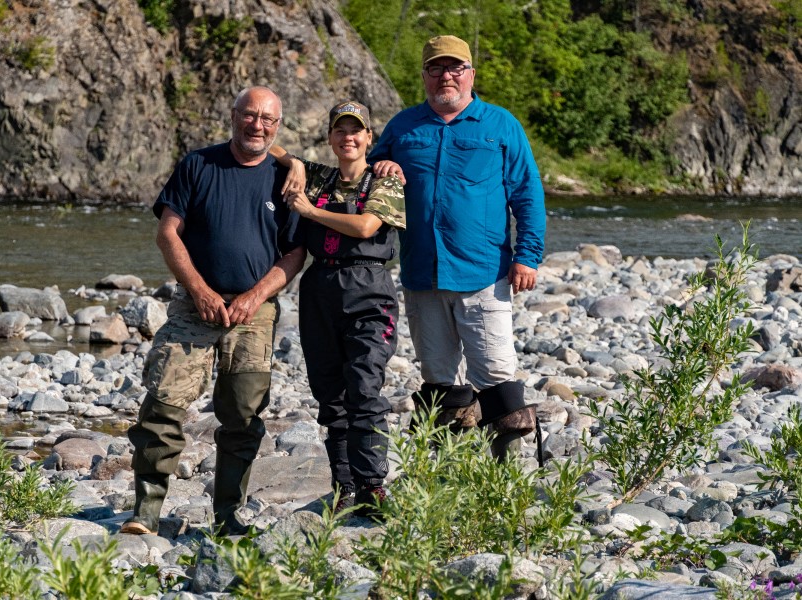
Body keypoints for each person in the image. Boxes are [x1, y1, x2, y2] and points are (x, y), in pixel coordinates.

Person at [120, 86, 305, 537]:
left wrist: (255, 296)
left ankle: (227, 515)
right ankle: (146, 511)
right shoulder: (198, 164)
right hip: (193, 306)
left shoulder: (288, 180)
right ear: (233, 114)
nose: (257, 125)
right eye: (249, 115)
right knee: (162, 405)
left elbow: (296, 254)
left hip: (254, 313)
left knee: (243, 415)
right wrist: (199, 290)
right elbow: (168, 234)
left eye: (267, 119)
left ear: (277, 125)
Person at [369, 35, 546, 460]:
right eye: (436, 68)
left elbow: (528, 194)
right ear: (425, 76)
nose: (446, 76)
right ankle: (450, 475)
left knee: (497, 377)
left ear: (470, 74)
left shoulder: (501, 125)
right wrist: (381, 165)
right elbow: (366, 174)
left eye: (455, 68)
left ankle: (504, 478)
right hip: (422, 274)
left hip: (484, 272)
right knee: (438, 380)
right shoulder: (403, 126)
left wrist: (527, 256)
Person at [271, 100, 406, 514]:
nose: (348, 138)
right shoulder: (319, 177)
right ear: (330, 138)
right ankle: (344, 486)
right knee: (330, 394)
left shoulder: (384, 181)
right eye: (340, 131)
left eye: (356, 131)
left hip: (369, 287)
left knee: (365, 388)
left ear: (368, 138)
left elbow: (367, 226)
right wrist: (293, 162)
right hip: (321, 288)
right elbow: (268, 145)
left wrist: (311, 211)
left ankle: (373, 485)